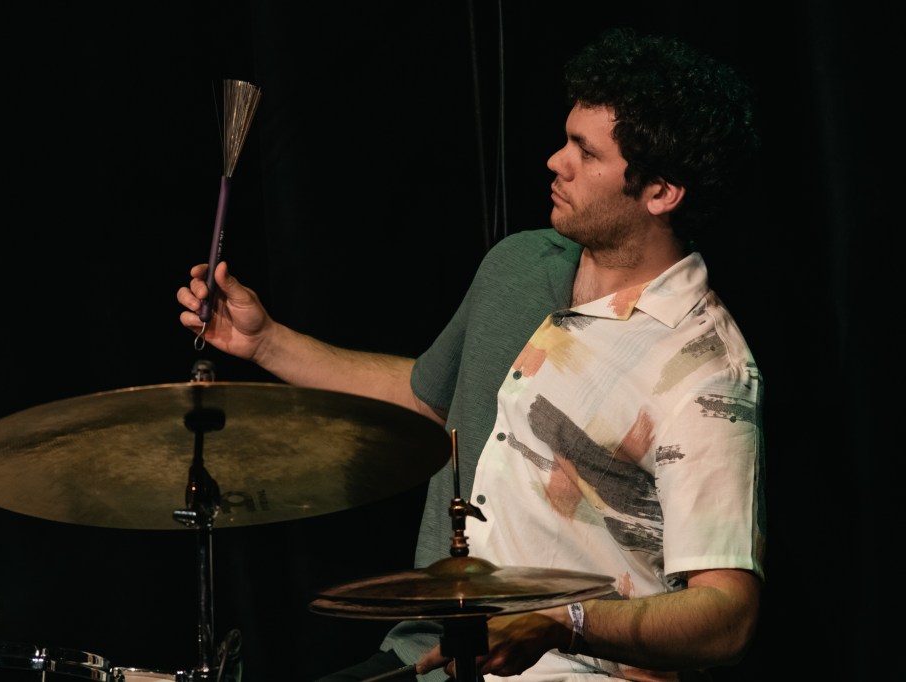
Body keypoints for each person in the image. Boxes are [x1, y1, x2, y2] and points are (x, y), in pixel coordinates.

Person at [177, 26, 765, 682]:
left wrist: (564, 619)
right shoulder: (520, 265)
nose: (556, 161)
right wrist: (266, 341)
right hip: (431, 656)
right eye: (566, 138)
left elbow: (727, 614)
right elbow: (431, 400)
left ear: (661, 193)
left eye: (586, 152)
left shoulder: (705, 369)